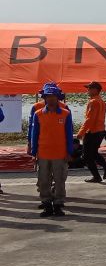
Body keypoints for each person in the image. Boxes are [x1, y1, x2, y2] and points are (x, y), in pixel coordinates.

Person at [29, 83, 74, 217]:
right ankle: (47, 204)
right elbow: (34, 134)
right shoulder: (38, 114)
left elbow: (69, 134)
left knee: (60, 180)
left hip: (60, 154)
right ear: (44, 97)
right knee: (43, 180)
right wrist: (33, 153)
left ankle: (58, 205)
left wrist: (69, 152)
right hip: (43, 153)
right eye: (48, 96)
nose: (50, 99)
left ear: (58, 97)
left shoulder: (66, 113)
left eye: (53, 96)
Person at [77, 81, 106, 183]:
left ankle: (98, 175)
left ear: (95, 90)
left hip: (93, 132)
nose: (87, 90)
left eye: (89, 88)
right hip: (100, 131)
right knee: (93, 153)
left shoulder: (93, 102)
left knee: (87, 156)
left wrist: (81, 132)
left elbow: (90, 120)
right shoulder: (102, 102)